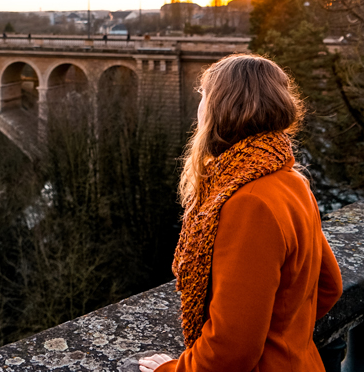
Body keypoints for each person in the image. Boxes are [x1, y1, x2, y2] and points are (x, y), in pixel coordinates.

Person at [139, 54, 342, 372]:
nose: (200, 106)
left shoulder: (247, 203)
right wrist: (285, 332)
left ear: (221, 107)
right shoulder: (292, 180)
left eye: (203, 96)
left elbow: (233, 348)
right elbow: (329, 285)